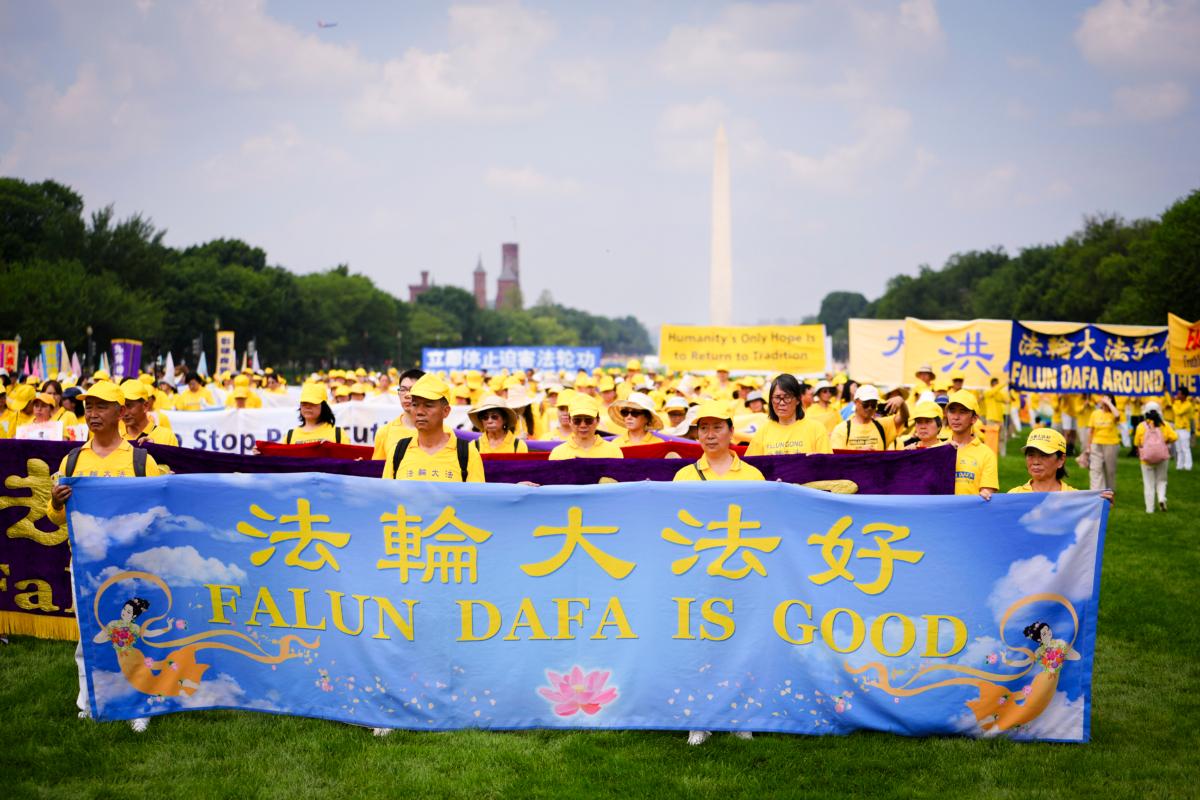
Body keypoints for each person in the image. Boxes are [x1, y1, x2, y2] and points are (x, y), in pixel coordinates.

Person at [48, 379, 166, 733]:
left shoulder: (140, 460)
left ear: (120, 411)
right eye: (88, 407)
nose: (93, 413)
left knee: (135, 633)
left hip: (131, 564)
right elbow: (56, 517)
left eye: (101, 407)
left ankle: (138, 704)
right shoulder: (72, 459)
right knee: (88, 638)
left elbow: (159, 512)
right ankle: (89, 703)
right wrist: (55, 501)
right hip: (84, 563)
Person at [673, 400, 761, 745]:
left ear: (730, 430)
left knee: (741, 641)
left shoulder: (752, 475)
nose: (709, 435)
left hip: (741, 570)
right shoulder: (684, 475)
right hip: (700, 571)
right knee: (700, 643)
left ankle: (740, 715)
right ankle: (701, 717)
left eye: (716, 427)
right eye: (703, 429)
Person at [382, 373, 484, 481]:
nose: (420, 412)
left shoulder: (468, 454)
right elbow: (387, 496)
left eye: (428, 405)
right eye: (415, 405)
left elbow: (476, 497)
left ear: (446, 411)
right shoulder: (398, 451)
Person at [745, 373, 830, 456]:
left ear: (798, 400)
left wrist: (819, 460)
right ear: (771, 400)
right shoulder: (763, 432)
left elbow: (829, 465)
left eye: (787, 397)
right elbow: (749, 466)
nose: (781, 403)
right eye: (777, 398)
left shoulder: (816, 429)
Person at [943, 390, 998, 499]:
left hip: (970, 514)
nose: (956, 417)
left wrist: (986, 493)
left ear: (974, 418)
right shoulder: (937, 450)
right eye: (952, 411)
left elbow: (987, 494)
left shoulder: (986, 454)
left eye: (962, 412)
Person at [829, 385, 909, 451]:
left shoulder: (882, 425)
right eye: (866, 404)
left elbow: (904, 417)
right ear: (856, 402)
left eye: (873, 404)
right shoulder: (842, 429)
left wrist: (901, 401)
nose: (870, 408)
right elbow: (837, 460)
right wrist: (859, 454)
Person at [548, 394, 624, 460]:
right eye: (577, 420)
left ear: (597, 421)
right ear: (570, 421)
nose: (583, 425)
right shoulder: (558, 454)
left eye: (588, 420)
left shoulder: (613, 451)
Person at [1134, 401, 1177, 513]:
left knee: (1148, 484)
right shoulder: (1164, 425)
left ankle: (1149, 509)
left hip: (1146, 459)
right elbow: (1174, 437)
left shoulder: (1141, 426)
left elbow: (1136, 442)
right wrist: (1165, 441)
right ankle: (1161, 498)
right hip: (1162, 458)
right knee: (1161, 480)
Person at [372, 368, 422, 460]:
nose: (407, 395)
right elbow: (378, 469)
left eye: (412, 390)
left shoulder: (442, 433)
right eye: (403, 390)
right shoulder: (384, 433)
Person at [1081, 394, 1119, 492]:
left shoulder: (1113, 413)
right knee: (1095, 469)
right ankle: (1096, 491)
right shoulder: (1095, 413)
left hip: (1111, 444)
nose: (1104, 401)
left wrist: (1109, 403)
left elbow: (1117, 416)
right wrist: (1088, 447)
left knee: (1110, 470)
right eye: (1103, 399)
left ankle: (1110, 490)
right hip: (1096, 444)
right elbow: (1091, 431)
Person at [119, 380, 177, 445]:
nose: (125, 413)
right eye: (121, 407)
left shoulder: (166, 437)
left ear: (145, 406)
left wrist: (154, 449)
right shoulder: (114, 437)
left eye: (129, 406)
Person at [1172, 387, 1194, 471]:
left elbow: (1179, 412)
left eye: (1179, 393)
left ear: (1184, 395)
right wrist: (1174, 403)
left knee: (1185, 448)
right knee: (1178, 449)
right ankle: (1179, 466)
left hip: (1184, 429)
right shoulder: (1177, 402)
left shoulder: (1188, 404)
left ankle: (1188, 466)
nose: (1178, 395)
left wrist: (1173, 404)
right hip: (1177, 428)